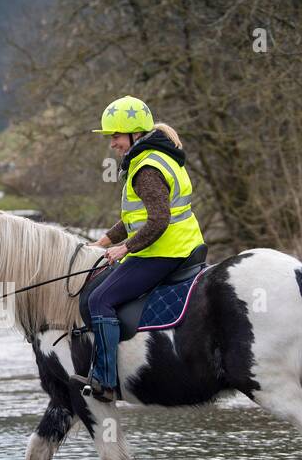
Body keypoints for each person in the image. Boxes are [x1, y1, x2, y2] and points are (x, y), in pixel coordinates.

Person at [70, 95, 205, 403]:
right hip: (180, 244)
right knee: (93, 291)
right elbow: (136, 217)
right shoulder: (157, 156)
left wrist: (124, 249)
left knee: (100, 299)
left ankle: (105, 380)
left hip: (164, 251)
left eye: (115, 136)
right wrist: (104, 241)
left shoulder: (146, 168)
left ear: (134, 134)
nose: (112, 144)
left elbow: (158, 220)